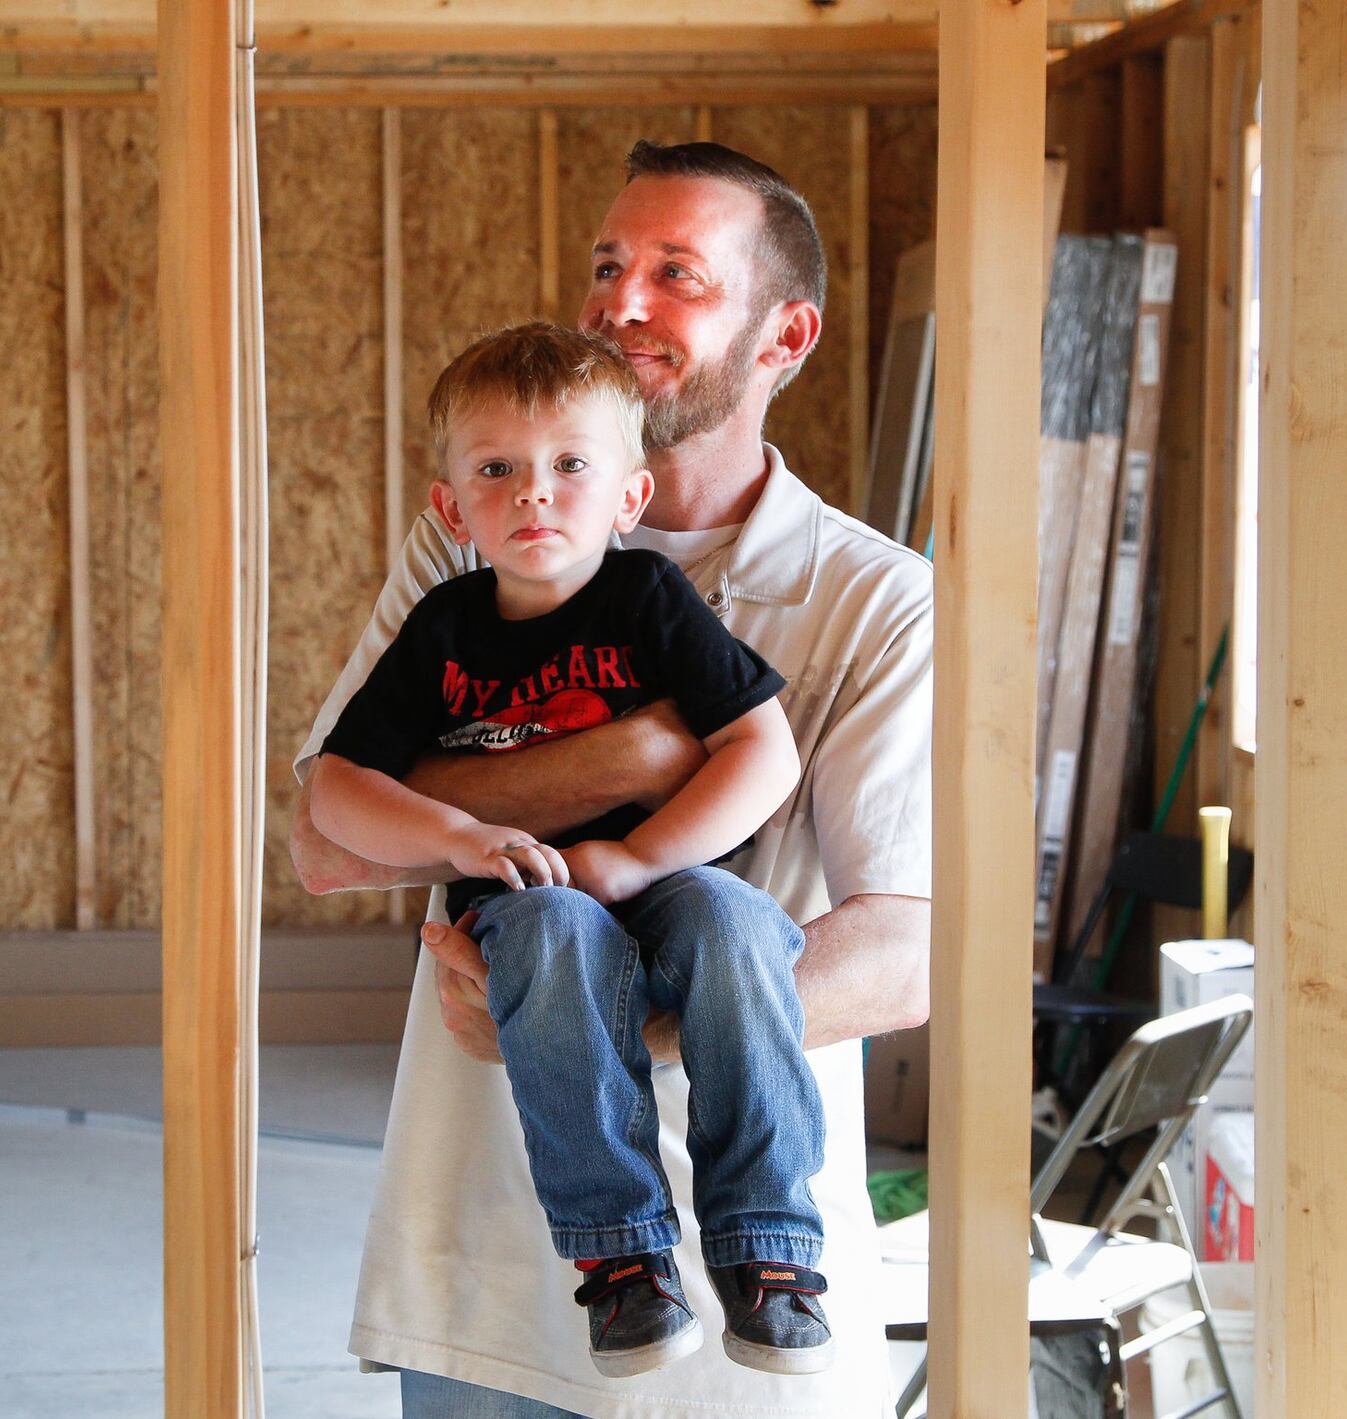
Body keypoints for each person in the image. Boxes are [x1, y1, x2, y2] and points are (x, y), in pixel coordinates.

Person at [291, 141, 932, 1418]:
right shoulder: (465, 550)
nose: (618, 302)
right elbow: (334, 841)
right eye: (606, 264)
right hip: (478, 1265)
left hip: (749, 1319)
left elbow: (900, 957)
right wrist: (629, 761)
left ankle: (739, 1249)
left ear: (784, 334)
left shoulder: (878, 600)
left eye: (677, 274)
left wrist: (574, 1011)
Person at [308, 320, 834, 1380]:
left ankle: (767, 1248)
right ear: (452, 508)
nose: (534, 494)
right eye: (497, 470)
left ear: (628, 498)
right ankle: (623, 1256)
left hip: (663, 880)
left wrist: (638, 860)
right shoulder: (445, 627)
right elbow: (334, 790)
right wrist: (460, 836)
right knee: (549, 926)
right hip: (523, 895)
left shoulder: (647, 600)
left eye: (569, 467)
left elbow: (759, 752)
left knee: (740, 925)